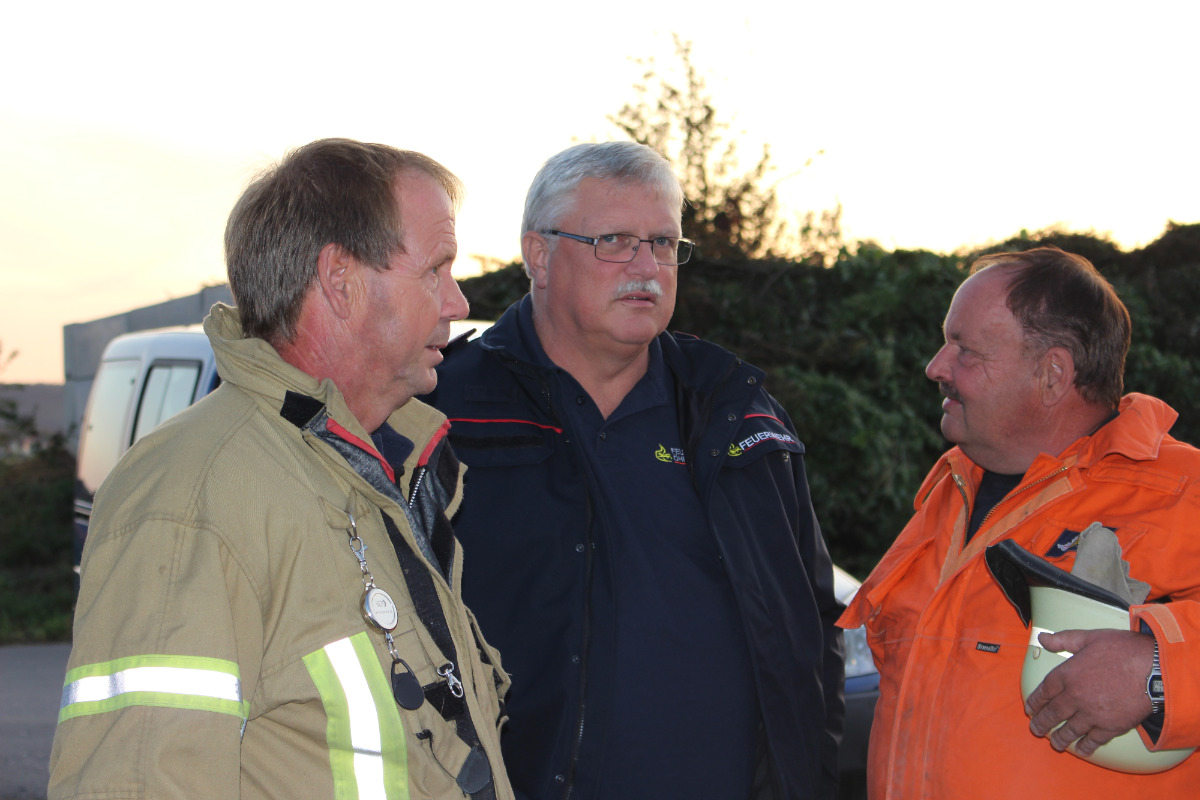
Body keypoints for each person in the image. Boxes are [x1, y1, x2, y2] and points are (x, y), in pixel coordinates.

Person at [49, 138, 514, 800]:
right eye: (436, 270)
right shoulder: (194, 493)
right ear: (341, 279)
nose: (459, 303)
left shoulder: (384, 470)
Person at [424, 141, 845, 800]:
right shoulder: (443, 410)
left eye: (663, 242)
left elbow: (811, 625)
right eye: (615, 241)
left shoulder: (738, 414)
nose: (647, 267)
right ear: (538, 254)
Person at [839, 247, 1200, 798]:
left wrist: (1158, 669)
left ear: (1053, 374)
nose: (936, 366)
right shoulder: (946, 495)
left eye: (966, 350)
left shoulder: (1183, 491)